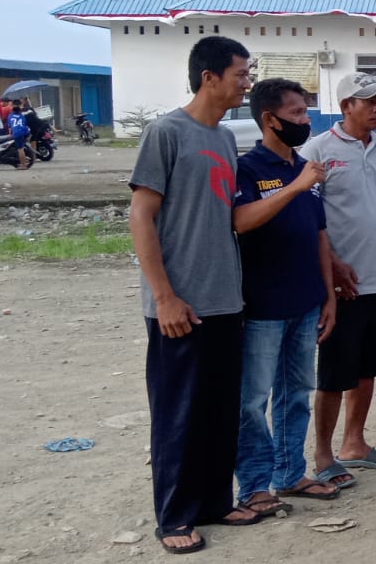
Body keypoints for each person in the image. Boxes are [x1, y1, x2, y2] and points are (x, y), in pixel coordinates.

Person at [128, 36, 258, 554]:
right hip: (180, 303)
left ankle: (214, 502)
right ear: (209, 77)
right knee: (178, 413)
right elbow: (141, 215)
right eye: (240, 74)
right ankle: (174, 516)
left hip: (225, 298)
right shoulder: (166, 132)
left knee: (220, 410)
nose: (246, 83)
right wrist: (164, 297)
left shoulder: (224, 138)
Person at [231, 78, 341, 516]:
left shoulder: (306, 168)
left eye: (306, 111)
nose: (305, 120)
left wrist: (328, 294)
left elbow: (319, 234)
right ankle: (254, 485)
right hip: (263, 305)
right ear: (269, 119)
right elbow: (241, 220)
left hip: (306, 300)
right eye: (296, 113)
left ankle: (291, 473)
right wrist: (294, 187)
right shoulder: (249, 168)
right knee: (253, 400)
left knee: (296, 393)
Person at [300, 72, 376, 486]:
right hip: (342, 284)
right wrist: (330, 265)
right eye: (369, 102)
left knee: (368, 368)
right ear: (346, 106)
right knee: (334, 373)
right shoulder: (318, 150)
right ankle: (323, 454)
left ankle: (355, 443)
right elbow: (306, 216)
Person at [6, 100, 33, 169]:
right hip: (24, 132)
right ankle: (23, 162)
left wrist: (10, 134)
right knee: (21, 148)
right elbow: (25, 124)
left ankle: (23, 165)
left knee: (20, 149)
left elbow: (10, 128)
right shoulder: (22, 116)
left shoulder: (10, 116)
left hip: (17, 133)